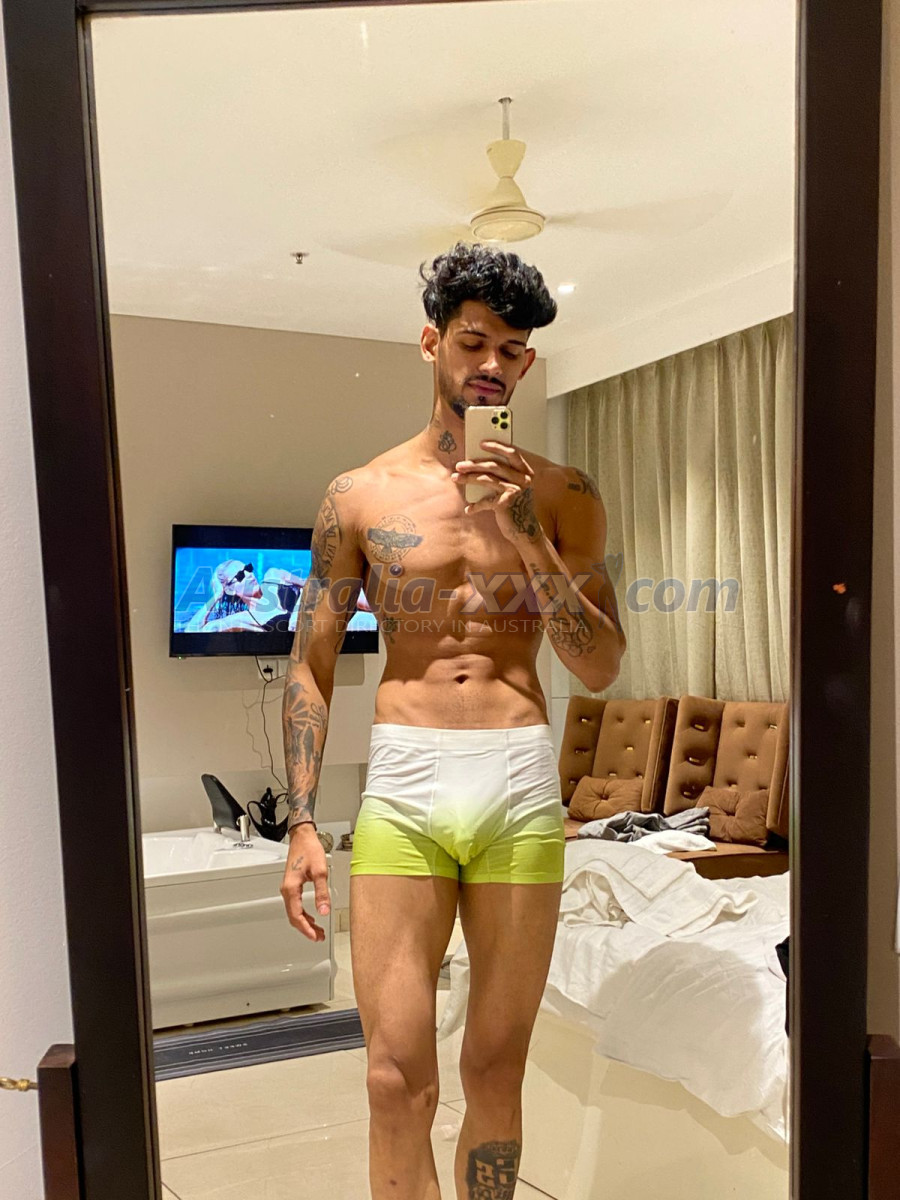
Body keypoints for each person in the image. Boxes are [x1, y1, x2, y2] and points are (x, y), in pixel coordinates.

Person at [279, 241, 625, 1200]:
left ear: (527, 364)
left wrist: (526, 534)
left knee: (494, 1071)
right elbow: (310, 663)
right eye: (474, 342)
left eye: (511, 351)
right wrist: (301, 820)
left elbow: (599, 666)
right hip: (406, 781)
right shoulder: (360, 495)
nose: (491, 365)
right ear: (431, 342)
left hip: (518, 779)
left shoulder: (565, 495)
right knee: (394, 1079)